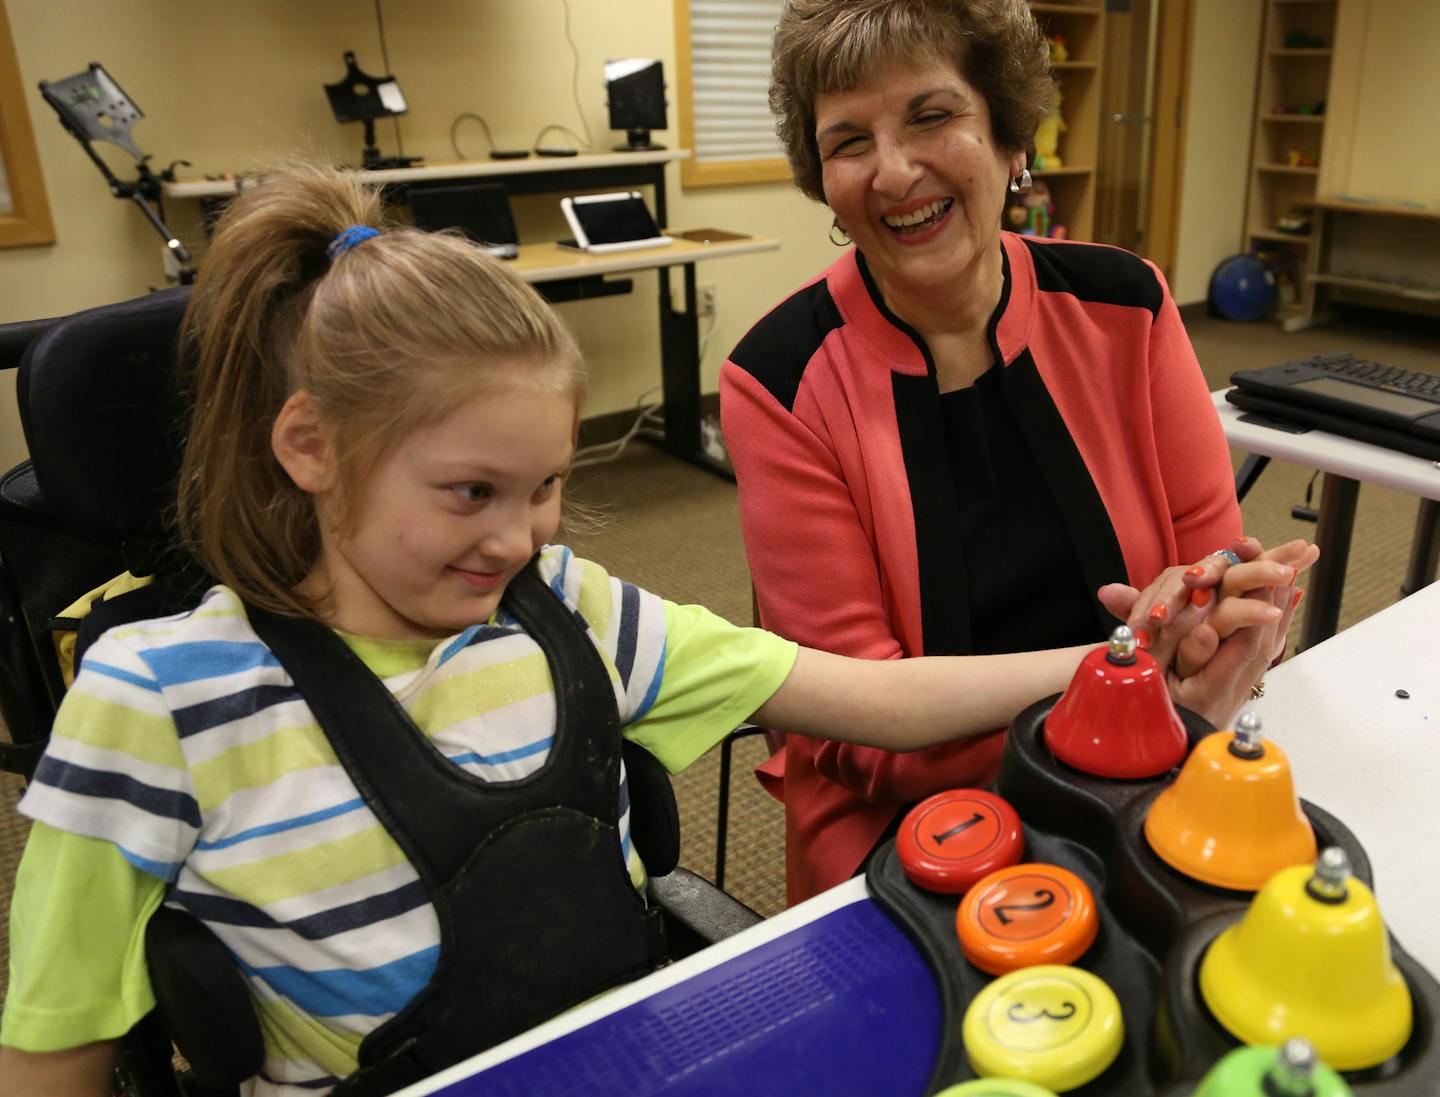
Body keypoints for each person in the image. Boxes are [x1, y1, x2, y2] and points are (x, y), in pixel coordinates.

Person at [0, 164, 1275, 1097]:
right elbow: (54, 1045)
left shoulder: (573, 608)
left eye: (546, 486)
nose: (521, 537)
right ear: (312, 448)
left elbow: (870, 695)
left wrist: (1125, 653)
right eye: (470, 493)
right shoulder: (154, 700)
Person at [719, 0, 1313, 905]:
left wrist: (1225, 621)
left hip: (1149, 779)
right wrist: (1138, 692)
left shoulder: (1128, 306)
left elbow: (1208, 585)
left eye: (931, 115)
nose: (893, 172)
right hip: (911, 847)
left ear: (1008, 136)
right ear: (821, 176)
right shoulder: (780, 379)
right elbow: (860, 729)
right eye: (848, 141)